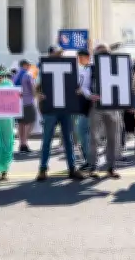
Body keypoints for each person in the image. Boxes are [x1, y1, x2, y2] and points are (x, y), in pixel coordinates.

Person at [36, 45, 85, 181]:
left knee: (68, 140)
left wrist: (77, 92)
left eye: (61, 54)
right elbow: (37, 87)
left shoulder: (69, 67)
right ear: (50, 54)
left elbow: (75, 85)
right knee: (47, 140)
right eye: (57, 53)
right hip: (50, 109)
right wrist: (39, 95)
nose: (60, 56)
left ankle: (72, 168)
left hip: (65, 109)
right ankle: (43, 168)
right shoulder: (43, 68)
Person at [83, 44, 122, 179]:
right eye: (100, 53)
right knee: (94, 137)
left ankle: (111, 166)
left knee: (113, 137)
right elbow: (84, 87)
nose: (104, 55)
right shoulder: (91, 68)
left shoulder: (116, 66)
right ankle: (94, 166)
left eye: (106, 52)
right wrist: (90, 95)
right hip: (96, 105)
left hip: (112, 106)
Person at [15, 60, 37, 154]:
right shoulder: (28, 74)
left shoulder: (16, 75)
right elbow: (33, 88)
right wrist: (36, 95)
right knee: (30, 122)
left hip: (18, 103)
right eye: (29, 65)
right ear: (25, 65)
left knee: (21, 123)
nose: (29, 66)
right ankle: (25, 143)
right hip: (28, 102)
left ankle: (21, 144)